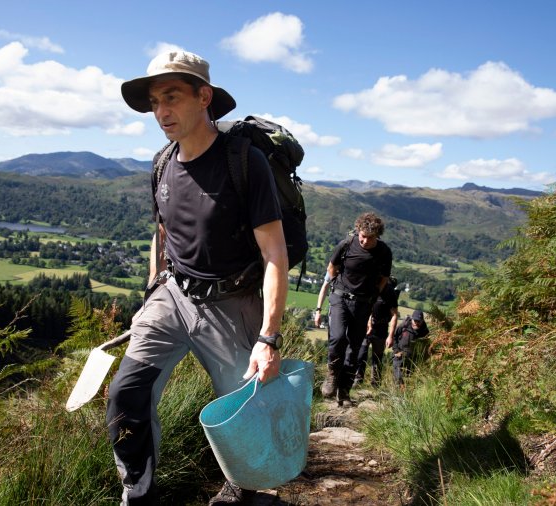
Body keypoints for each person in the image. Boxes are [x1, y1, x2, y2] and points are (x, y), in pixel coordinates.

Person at [108, 50, 289, 506]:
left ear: (203, 96)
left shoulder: (245, 163)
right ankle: (139, 493)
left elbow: (274, 253)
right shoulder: (162, 163)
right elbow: (163, 232)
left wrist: (268, 337)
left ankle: (247, 491)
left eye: (172, 97)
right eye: (154, 103)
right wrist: (153, 291)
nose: (161, 112)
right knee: (125, 394)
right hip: (172, 297)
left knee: (243, 416)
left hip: (232, 303)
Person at [320, 212, 392, 407]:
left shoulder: (384, 252)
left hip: (363, 303)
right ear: (358, 231)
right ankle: (332, 375)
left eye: (369, 237)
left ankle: (344, 392)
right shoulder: (346, 244)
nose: (364, 240)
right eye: (362, 235)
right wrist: (336, 286)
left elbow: (385, 277)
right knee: (337, 338)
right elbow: (331, 267)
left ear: (377, 235)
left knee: (354, 348)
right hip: (340, 297)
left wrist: (374, 295)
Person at [354, 276, 399, 387]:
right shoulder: (371, 286)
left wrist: (390, 336)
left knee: (377, 357)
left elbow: (394, 315)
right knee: (361, 353)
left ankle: (376, 383)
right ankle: (357, 380)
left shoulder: (390, 293)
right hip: (366, 327)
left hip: (381, 329)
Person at [392, 309, 430, 388]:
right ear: (412, 319)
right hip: (400, 353)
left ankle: (406, 392)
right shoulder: (404, 325)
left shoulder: (425, 332)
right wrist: (396, 351)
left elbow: (426, 347)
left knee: (409, 377)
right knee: (397, 369)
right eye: (415, 320)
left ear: (422, 321)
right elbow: (394, 337)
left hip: (414, 358)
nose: (416, 323)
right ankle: (400, 386)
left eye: (419, 321)